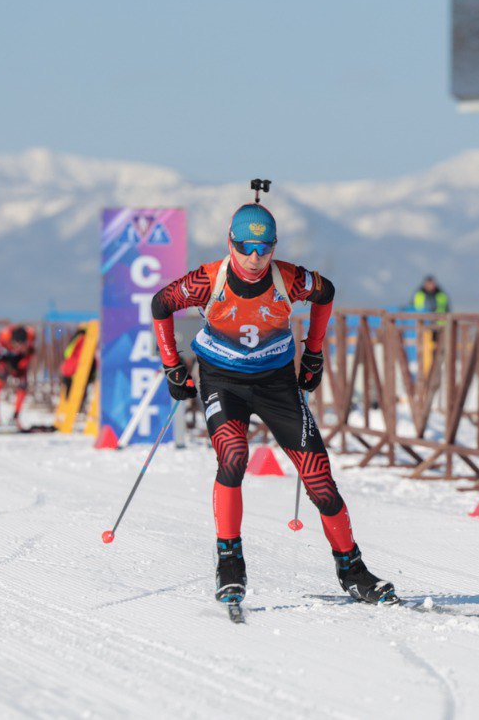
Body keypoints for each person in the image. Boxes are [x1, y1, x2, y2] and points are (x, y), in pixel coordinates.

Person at [150, 194, 396, 606]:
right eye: (245, 247)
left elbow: (326, 292)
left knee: (320, 481)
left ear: (274, 248)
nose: (254, 257)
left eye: (264, 248)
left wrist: (314, 352)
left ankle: (352, 570)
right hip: (222, 379)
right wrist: (173, 367)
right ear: (231, 243)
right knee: (232, 458)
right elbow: (161, 304)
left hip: (276, 381)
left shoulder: (289, 279)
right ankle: (230, 561)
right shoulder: (209, 279)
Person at [0, 324, 35, 427]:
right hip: (3, 360)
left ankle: (15, 416)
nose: (19, 348)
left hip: (18, 361)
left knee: (23, 385)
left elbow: (28, 358)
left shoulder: (30, 338)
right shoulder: (2, 340)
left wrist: (19, 368)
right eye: (17, 345)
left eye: (22, 345)